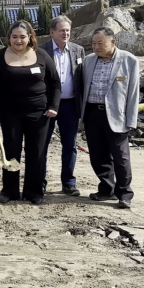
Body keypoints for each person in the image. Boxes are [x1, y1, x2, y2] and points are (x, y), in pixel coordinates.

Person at [0, 20, 61, 205]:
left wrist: (53, 106)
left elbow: (55, 83)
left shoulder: (42, 55)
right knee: (11, 151)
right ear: (9, 38)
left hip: (39, 114)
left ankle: (34, 191)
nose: (18, 40)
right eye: (15, 37)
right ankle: (10, 190)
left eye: (22, 36)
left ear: (30, 37)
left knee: (35, 152)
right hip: (10, 113)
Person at [80, 27, 139, 209]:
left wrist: (131, 120)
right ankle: (106, 189)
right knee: (98, 155)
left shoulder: (128, 60)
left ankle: (124, 193)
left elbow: (133, 93)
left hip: (116, 115)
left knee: (121, 157)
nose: (96, 47)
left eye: (100, 43)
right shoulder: (88, 61)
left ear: (113, 42)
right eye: (93, 44)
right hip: (92, 113)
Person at [40, 15, 86, 196]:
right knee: (42, 145)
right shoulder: (41, 50)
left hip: (69, 105)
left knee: (70, 145)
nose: (66, 33)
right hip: (47, 106)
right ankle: (40, 182)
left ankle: (68, 182)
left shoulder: (78, 50)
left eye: (67, 30)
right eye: (62, 30)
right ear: (52, 32)